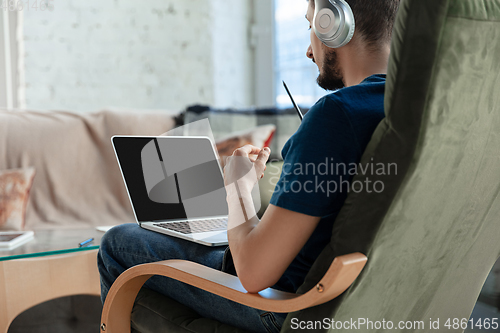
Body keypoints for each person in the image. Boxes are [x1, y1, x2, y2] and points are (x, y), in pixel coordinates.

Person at [98, 0, 400, 332]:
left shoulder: (337, 116)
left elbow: (254, 273)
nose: (308, 51)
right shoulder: (412, 114)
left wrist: (237, 187)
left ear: (332, 23)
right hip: (368, 302)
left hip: (287, 305)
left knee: (118, 242)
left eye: (310, 26)